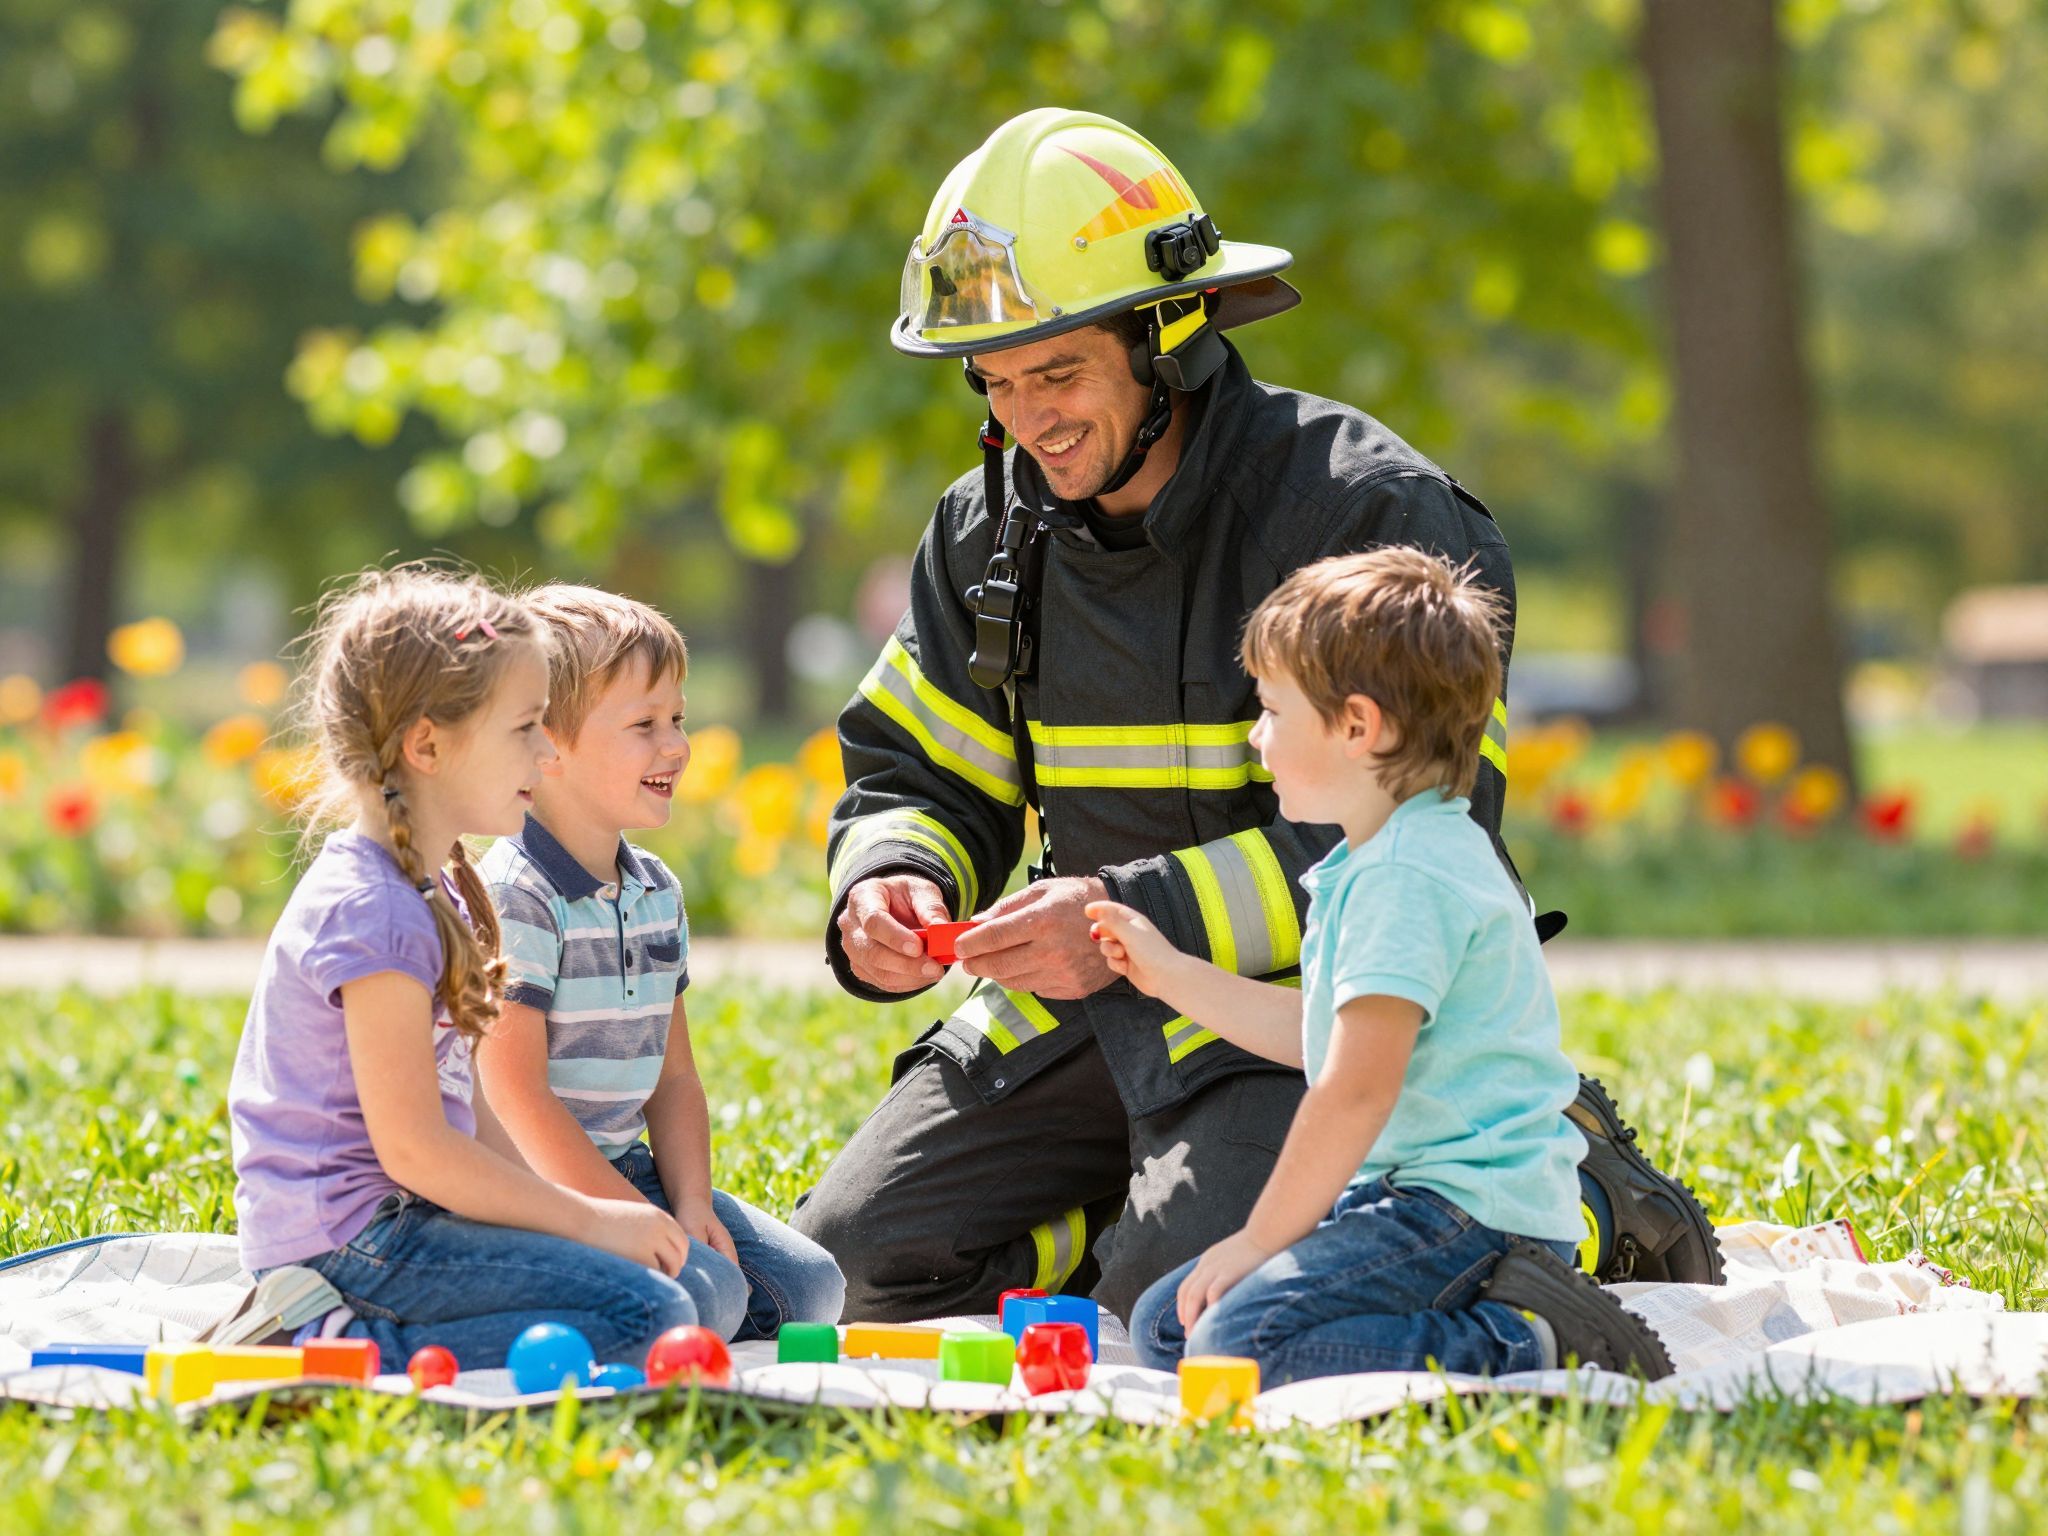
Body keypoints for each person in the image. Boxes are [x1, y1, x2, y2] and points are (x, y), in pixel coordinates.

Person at [792, 107, 1721, 1325]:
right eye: (997, 382)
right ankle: (1145, 1216)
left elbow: (1430, 824)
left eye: (1058, 372)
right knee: (848, 1269)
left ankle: (1566, 1184)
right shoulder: (983, 532)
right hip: (1084, 1003)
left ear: (1167, 334)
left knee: (1169, 1300)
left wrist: (1124, 918)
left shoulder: (1364, 515)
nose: (1027, 423)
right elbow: (914, 770)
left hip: (1309, 1016)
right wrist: (888, 883)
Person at [1092, 549, 1672, 1382]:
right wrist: (1168, 973)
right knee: (1168, 1325)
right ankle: (1484, 1318)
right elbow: (1320, 1037)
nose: (1257, 737)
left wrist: (1264, 1238)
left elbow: (1354, 1088)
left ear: (1359, 727)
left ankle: (1530, 1340)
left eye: (1272, 712)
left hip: (1471, 1217)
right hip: (1405, 1206)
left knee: (1231, 1349)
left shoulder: (1408, 878)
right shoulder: (1382, 860)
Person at [223, 566, 703, 1366]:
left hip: (409, 1219)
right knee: (649, 1317)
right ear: (428, 746)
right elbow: (414, 1150)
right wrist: (588, 1223)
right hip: (349, 1245)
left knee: (660, 1299)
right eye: (525, 728)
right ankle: (328, 1339)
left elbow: (471, 1115)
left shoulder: (437, 881)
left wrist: (563, 1218)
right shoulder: (371, 909)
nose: (547, 750)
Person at [475, 584, 844, 1342]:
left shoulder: (655, 892)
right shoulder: (516, 898)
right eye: (643, 725)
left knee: (811, 1288)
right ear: (545, 744)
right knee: (705, 1299)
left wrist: (690, 1206)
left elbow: (674, 1080)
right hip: (528, 1195)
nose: (676, 746)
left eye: (677, 719)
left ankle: (652, 1295)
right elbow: (516, 1099)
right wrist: (628, 1224)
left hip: (622, 1170)